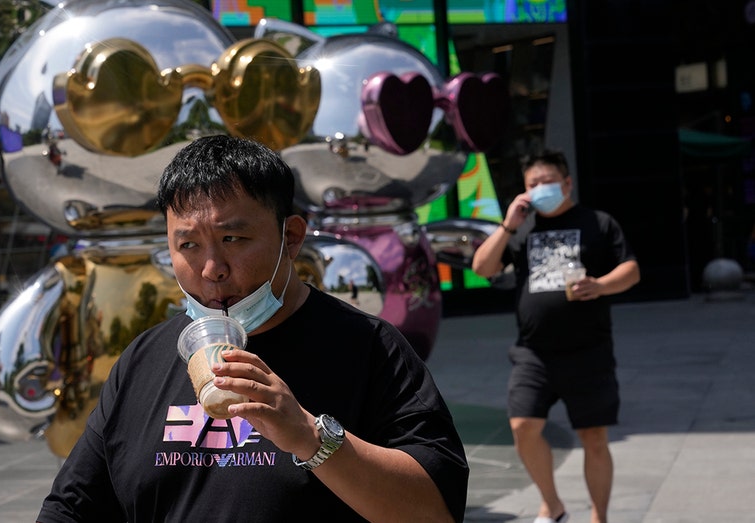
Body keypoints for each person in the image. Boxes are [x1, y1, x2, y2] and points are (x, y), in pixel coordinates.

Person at [36, 135, 469, 522]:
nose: (212, 269)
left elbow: (434, 511)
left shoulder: (370, 347)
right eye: (187, 245)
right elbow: (72, 508)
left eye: (233, 240)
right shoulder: (143, 359)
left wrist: (308, 436)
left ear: (292, 237)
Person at [471, 150, 640, 523]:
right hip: (533, 353)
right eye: (533, 184)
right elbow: (482, 267)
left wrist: (599, 285)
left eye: (548, 182)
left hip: (588, 350)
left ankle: (599, 516)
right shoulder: (522, 232)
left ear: (567, 183)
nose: (541, 189)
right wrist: (507, 225)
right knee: (522, 427)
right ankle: (553, 504)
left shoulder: (598, 223)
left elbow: (631, 270)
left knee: (593, 438)